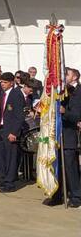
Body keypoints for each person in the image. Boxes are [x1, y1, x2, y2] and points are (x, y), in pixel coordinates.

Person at [45, 68, 81, 207]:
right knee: (57, 167)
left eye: (67, 74)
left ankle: (76, 196)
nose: (63, 76)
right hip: (56, 134)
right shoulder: (61, 90)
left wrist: (65, 112)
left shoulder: (78, 92)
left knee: (70, 167)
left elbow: (77, 116)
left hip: (69, 135)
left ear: (75, 77)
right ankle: (57, 195)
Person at [0, 72, 25, 193]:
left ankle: (10, 183)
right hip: (1, 128)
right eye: (1, 82)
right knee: (0, 156)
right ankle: (1, 179)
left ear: (11, 83)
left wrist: (14, 132)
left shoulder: (16, 94)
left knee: (10, 157)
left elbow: (19, 116)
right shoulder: (4, 94)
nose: (2, 84)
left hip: (10, 130)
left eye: (5, 82)